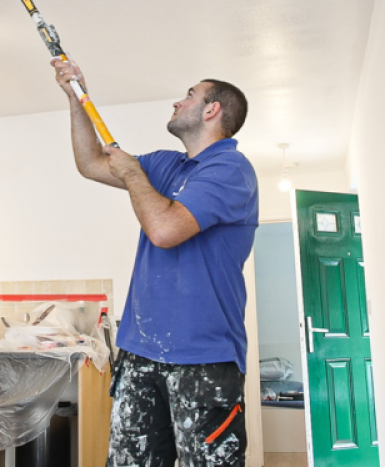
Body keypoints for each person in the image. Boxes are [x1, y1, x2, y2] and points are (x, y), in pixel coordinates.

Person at [51, 56, 259, 467]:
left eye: (189, 96)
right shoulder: (167, 164)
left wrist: (132, 175)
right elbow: (91, 164)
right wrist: (76, 97)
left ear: (212, 110)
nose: (177, 103)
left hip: (204, 357)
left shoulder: (230, 169)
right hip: (139, 351)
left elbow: (165, 231)